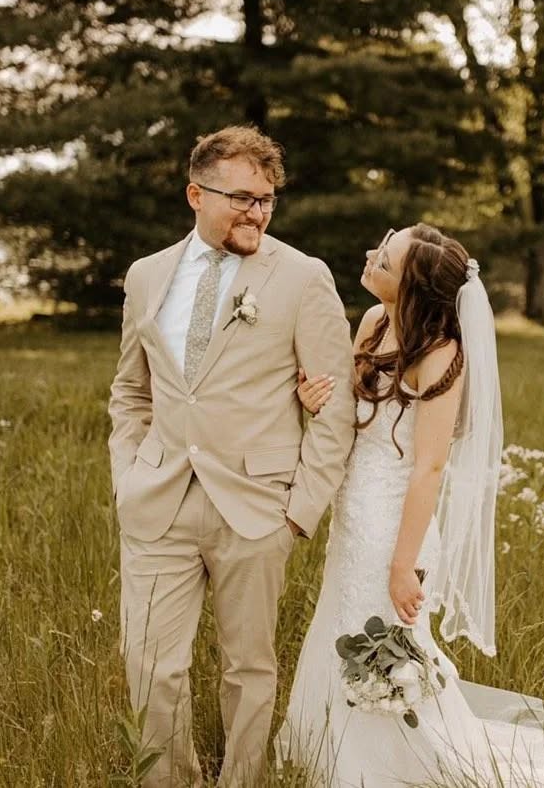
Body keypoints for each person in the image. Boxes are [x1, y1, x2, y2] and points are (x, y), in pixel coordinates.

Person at [277, 223, 544, 786]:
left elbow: (428, 466)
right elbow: (351, 412)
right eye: (383, 245)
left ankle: (395, 763)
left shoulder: (442, 355)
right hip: (354, 515)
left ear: (415, 290)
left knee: (387, 636)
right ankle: (322, 747)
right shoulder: (374, 322)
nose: (371, 256)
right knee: (339, 623)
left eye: (387, 261)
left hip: (397, 523)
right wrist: (313, 400)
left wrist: (404, 564)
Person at [108, 125, 355, 786]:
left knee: (248, 667)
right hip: (157, 501)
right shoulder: (148, 275)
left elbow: (335, 404)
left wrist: (300, 510)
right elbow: (131, 391)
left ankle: (240, 780)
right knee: (150, 661)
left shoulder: (303, 277)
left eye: (267, 200)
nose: (257, 212)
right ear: (196, 193)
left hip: (257, 507)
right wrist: (127, 474)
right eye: (242, 198)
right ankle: (169, 779)